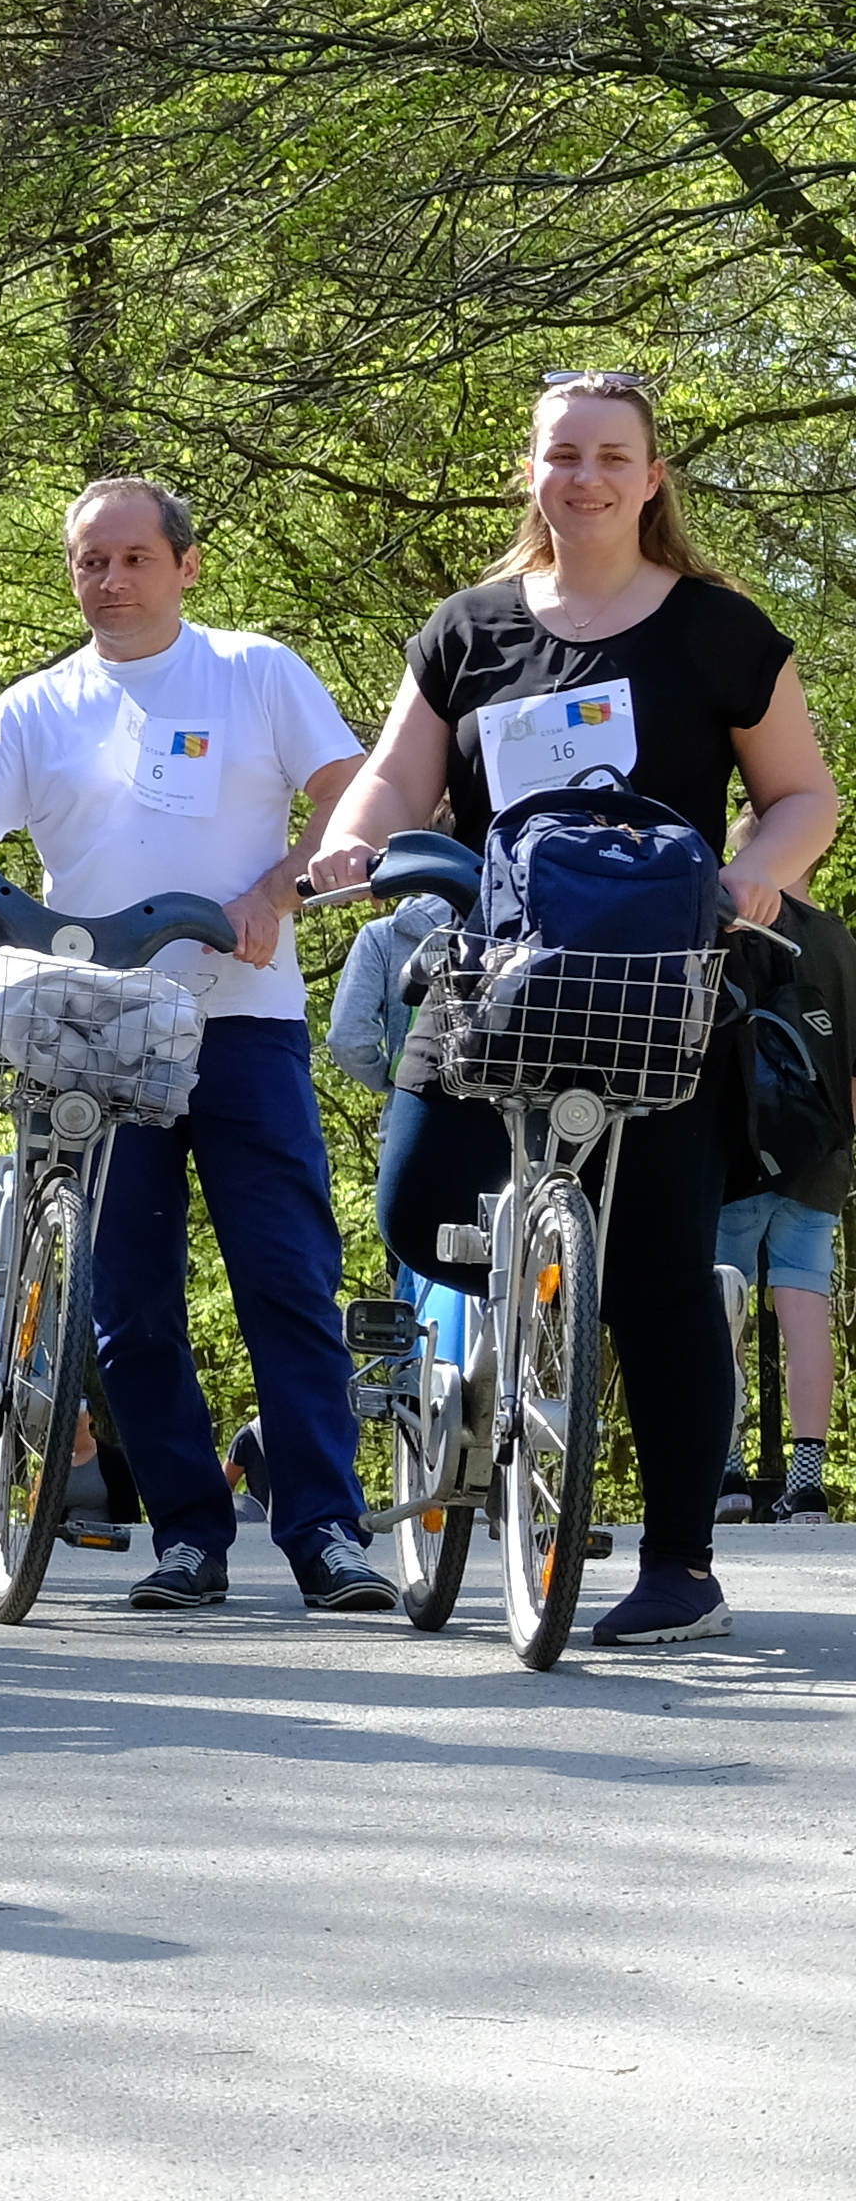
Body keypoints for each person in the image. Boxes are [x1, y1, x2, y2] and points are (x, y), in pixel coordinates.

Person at [295, 367, 839, 1648]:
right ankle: (517, 1333)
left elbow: (805, 794)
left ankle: (680, 1563)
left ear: (651, 478)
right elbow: (392, 782)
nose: (583, 477)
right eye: (560, 455)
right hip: (497, 975)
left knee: (655, 1276)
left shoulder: (719, 628)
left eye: (610, 455)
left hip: (660, 984)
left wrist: (755, 879)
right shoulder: (470, 628)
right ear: (531, 472)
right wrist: (352, 848)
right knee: (419, 1208)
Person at [0, 476, 379, 1614]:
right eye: (88, 562)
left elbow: (354, 792)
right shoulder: (36, 706)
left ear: (186, 565)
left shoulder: (254, 671)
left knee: (285, 1278)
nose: (109, 581)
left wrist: (279, 888)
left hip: (242, 1018)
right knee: (127, 1300)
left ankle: (324, 1531)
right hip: (93, 1036)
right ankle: (189, 1533)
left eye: (133, 559)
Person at [720, 880, 854, 1519]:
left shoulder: (725, 922)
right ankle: (806, 1480)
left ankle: (727, 1472)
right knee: (807, 1312)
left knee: (723, 1313)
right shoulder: (838, 940)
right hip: (819, 1151)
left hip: (740, 1151)